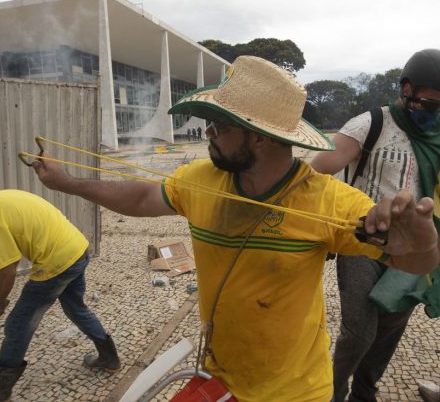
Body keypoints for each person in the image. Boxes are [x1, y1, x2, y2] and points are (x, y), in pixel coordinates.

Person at [32, 56, 439, 401]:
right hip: (221, 376)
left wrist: (423, 240)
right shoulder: (201, 179)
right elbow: (141, 199)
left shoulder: (329, 201)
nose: (207, 131)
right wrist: (68, 182)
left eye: (220, 125)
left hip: (295, 391)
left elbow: (413, 259)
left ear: (260, 138)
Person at [310, 48, 440, 402]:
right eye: (428, 104)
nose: (435, 114)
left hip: (412, 244)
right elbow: (315, 171)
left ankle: (364, 392)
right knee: (360, 331)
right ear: (407, 90)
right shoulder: (371, 123)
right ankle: (332, 392)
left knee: (391, 328)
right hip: (363, 239)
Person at [0, 171, 120, 402]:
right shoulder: (1, 197)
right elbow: (7, 263)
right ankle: (109, 358)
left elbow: (9, 270)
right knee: (75, 308)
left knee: (18, 323)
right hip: (77, 250)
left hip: (57, 263)